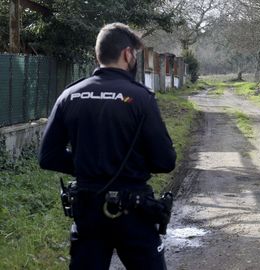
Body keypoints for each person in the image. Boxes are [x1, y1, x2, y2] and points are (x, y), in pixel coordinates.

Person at [39, 23, 176, 269]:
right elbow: (165, 161)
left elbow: (48, 157)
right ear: (127, 54)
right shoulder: (141, 98)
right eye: (134, 54)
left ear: (98, 54)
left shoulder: (69, 95)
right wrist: (126, 166)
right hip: (134, 211)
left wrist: (87, 165)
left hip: (87, 209)